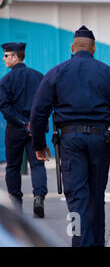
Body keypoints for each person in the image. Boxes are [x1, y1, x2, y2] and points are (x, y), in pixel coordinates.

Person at [30, 26, 110, 247]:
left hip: (70, 141)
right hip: (100, 140)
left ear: (72, 47)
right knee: (97, 196)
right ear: (94, 48)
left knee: (77, 198)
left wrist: (38, 145)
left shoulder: (56, 73)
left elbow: (38, 113)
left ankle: (80, 243)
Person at [0, 42, 47, 217]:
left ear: (15, 57)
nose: (4, 59)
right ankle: (39, 198)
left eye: (6, 55)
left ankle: (16, 204)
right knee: (37, 164)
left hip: (14, 129)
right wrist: (34, 123)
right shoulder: (39, 77)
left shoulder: (6, 80)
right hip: (35, 128)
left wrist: (21, 121)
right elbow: (45, 103)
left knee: (13, 166)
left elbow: (4, 106)